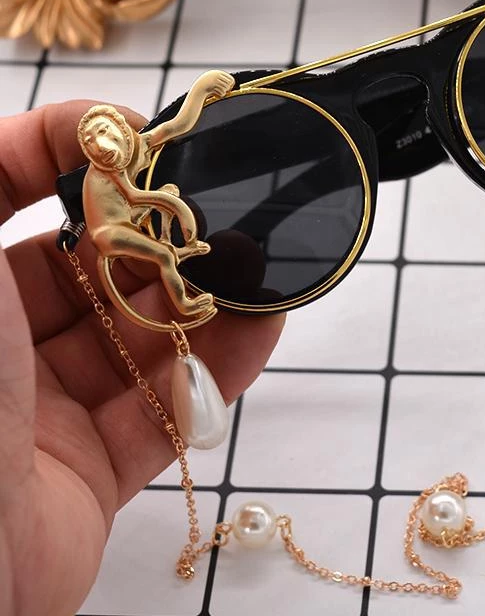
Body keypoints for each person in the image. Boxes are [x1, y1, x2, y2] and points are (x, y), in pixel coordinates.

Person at [0, 101, 285, 616]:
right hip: (110, 234)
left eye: (110, 135)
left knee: (168, 242)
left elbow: (171, 129)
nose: (108, 145)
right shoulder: (103, 176)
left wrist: (202, 93)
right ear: (91, 150)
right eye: (97, 141)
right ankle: (184, 298)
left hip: (126, 222)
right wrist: (170, 202)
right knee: (161, 252)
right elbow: (138, 196)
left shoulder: (128, 154)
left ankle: (183, 265)